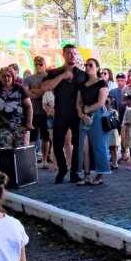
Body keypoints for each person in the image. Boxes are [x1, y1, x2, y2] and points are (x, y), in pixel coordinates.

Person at [39, 45, 87, 184]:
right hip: (60, 113)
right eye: (69, 53)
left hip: (77, 114)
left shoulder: (82, 74)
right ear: (63, 54)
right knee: (58, 143)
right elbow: (45, 87)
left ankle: (74, 172)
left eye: (74, 53)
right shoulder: (55, 72)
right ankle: (62, 168)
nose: (72, 55)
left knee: (77, 144)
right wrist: (62, 76)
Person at [76, 58, 110, 186]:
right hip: (84, 117)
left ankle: (100, 175)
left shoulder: (102, 83)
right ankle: (86, 175)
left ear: (97, 67)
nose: (88, 67)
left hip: (97, 116)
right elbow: (78, 103)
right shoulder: (82, 85)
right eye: (86, 65)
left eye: (91, 65)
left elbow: (101, 103)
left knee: (98, 146)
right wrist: (82, 114)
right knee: (84, 148)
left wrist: (87, 110)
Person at [24, 56, 52, 169]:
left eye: (40, 64)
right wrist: (39, 91)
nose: (38, 66)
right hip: (33, 112)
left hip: (46, 112)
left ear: (45, 64)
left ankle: (44, 160)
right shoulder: (29, 79)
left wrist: (34, 91)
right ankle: (31, 161)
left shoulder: (49, 77)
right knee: (32, 138)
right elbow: (25, 92)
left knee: (46, 137)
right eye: (36, 64)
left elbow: (46, 90)